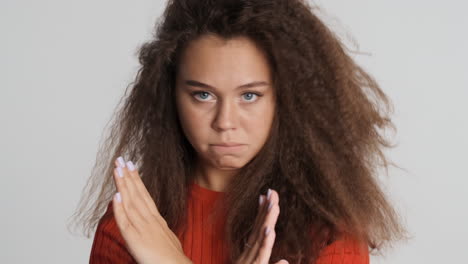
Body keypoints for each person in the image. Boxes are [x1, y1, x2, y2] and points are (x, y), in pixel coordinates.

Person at [69, 0, 409, 263]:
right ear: (170, 96)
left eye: (250, 96)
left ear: (286, 99)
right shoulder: (131, 224)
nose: (225, 122)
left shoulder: (329, 231)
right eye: (202, 95)